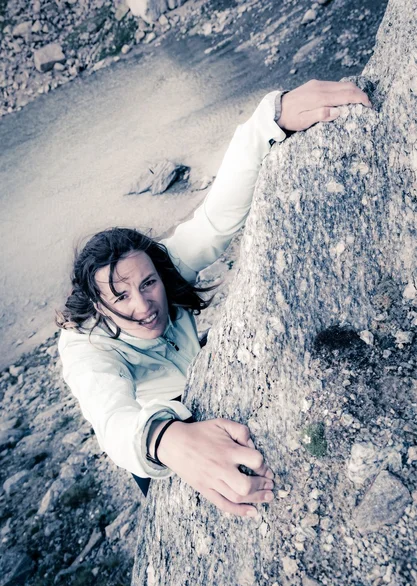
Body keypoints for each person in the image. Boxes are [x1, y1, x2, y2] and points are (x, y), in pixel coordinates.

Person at [57, 80, 372, 518]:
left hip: (201, 387)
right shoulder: (84, 348)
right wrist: (168, 440)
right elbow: (112, 418)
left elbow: (215, 220)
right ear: (97, 306)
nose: (143, 305)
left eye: (147, 284)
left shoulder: (161, 271)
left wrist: (271, 118)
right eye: (120, 296)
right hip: (159, 443)